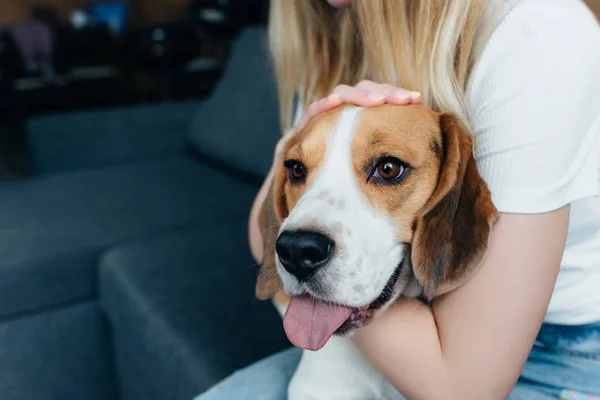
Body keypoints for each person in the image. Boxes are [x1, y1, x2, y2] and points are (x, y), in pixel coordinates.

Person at [196, 0, 600, 398]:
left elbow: (462, 389)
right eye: (300, 170)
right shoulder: (331, 32)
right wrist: (290, 151)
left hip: (552, 355)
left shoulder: (537, 33)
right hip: (395, 331)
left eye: (387, 169)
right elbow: (265, 240)